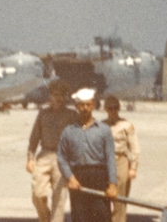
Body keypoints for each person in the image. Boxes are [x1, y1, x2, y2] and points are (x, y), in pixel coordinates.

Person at [57, 88, 118, 222]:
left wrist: (112, 184)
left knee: (102, 216)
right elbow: (61, 157)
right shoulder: (68, 131)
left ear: (94, 105)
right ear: (76, 106)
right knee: (80, 218)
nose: (85, 108)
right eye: (81, 105)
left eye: (88, 104)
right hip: (78, 178)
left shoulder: (104, 130)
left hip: (99, 177)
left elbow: (110, 158)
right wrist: (70, 178)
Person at [26, 80, 75, 222]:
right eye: (55, 95)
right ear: (50, 97)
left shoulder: (72, 115)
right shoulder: (43, 114)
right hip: (45, 156)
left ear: (65, 97)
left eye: (61, 95)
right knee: (37, 194)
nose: (58, 98)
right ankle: (46, 219)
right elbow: (34, 138)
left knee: (59, 198)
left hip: (63, 158)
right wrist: (30, 158)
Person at [104, 95, 141, 222]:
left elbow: (135, 148)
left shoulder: (126, 125)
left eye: (115, 108)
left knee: (120, 198)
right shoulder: (101, 125)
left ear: (118, 109)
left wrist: (133, 168)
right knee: (104, 195)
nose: (112, 111)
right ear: (105, 109)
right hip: (104, 162)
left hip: (121, 161)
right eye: (110, 108)